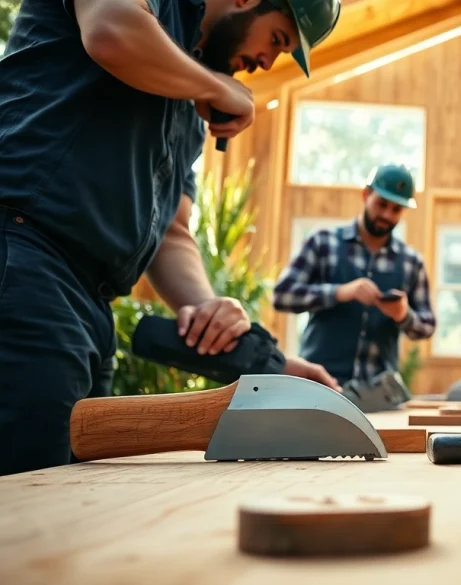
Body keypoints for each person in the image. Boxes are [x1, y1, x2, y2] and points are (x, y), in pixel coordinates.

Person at [0, 0, 343, 476]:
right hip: (25, 257)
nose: (267, 63)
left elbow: (172, 231)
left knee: (71, 491)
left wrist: (209, 310)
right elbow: (111, 33)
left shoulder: (189, 90)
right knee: (26, 495)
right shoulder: (164, 30)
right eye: (278, 40)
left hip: (91, 306)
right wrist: (215, 85)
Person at [272, 164, 436, 405]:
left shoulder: (412, 262)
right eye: (382, 204)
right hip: (319, 389)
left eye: (397, 209)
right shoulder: (323, 242)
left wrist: (403, 315)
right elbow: (282, 296)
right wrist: (340, 292)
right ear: (365, 195)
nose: (388, 215)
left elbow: (427, 325)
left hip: (380, 397)